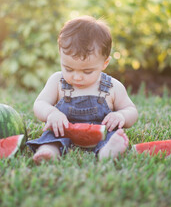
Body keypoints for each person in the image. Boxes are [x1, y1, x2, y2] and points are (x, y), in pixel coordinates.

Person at [26, 15, 138, 164]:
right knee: (51, 136)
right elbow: (39, 103)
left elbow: (131, 110)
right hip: (62, 131)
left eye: (87, 72)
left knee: (112, 136)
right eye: (68, 69)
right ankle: (49, 151)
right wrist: (51, 113)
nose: (77, 77)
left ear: (105, 63)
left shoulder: (112, 87)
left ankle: (108, 151)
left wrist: (122, 116)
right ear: (61, 57)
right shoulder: (57, 81)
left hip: (102, 135)